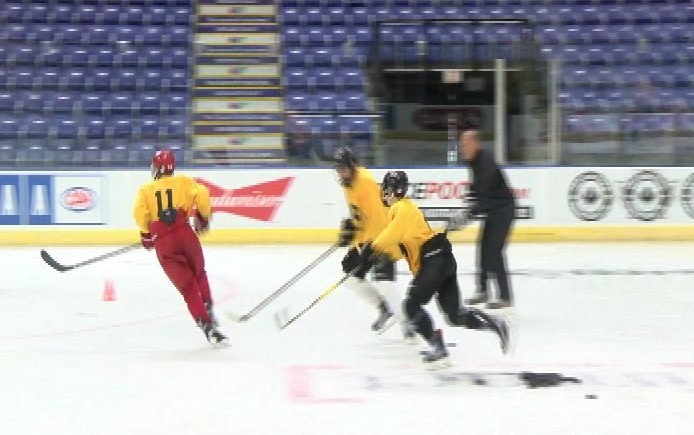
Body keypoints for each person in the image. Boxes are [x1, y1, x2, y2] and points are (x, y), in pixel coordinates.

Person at [353, 171, 510, 368]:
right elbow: (396, 246)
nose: (383, 193)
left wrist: (371, 249)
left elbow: (390, 236)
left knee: (411, 306)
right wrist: (368, 254)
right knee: (456, 315)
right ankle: (495, 323)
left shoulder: (400, 208)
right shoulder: (406, 210)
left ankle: (438, 349)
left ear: (392, 190)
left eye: (385, 188)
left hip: (433, 260)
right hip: (442, 259)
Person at [133, 149, 229, 347]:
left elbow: (139, 214)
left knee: (187, 287)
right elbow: (202, 193)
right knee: (199, 273)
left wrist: (145, 234)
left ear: (157, 168)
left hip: (164, 242)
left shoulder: (146, 190)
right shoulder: (184, 181)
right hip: (185, 233)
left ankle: (208, 328)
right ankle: (208, 307)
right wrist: (203, 216)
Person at [335, 147, 403, 334]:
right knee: (349, 276)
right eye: (338, 169)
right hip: (367, 239)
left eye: (344, 168)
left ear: (352, 166)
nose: (341, 172)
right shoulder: (348, 184)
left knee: (385, 283)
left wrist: (370, 246)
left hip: (384, 237)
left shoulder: (364, 182)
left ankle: (408, 322)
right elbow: (360, 217)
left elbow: (379, 218)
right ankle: (384, 308)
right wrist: (350, 234)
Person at [459, 130, 515, 309]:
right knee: (483, 248)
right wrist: (471, 199)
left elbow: (484, 194)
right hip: (493, 210)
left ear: (476, 144)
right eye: (461, 144)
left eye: (465, 144)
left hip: (503, 211)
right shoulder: (473, 161)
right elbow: (477, 189)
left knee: (494, 251)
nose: (462, 148)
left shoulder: (485, 162)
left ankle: (505, 296)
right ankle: (482, 290)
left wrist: (467, 214)